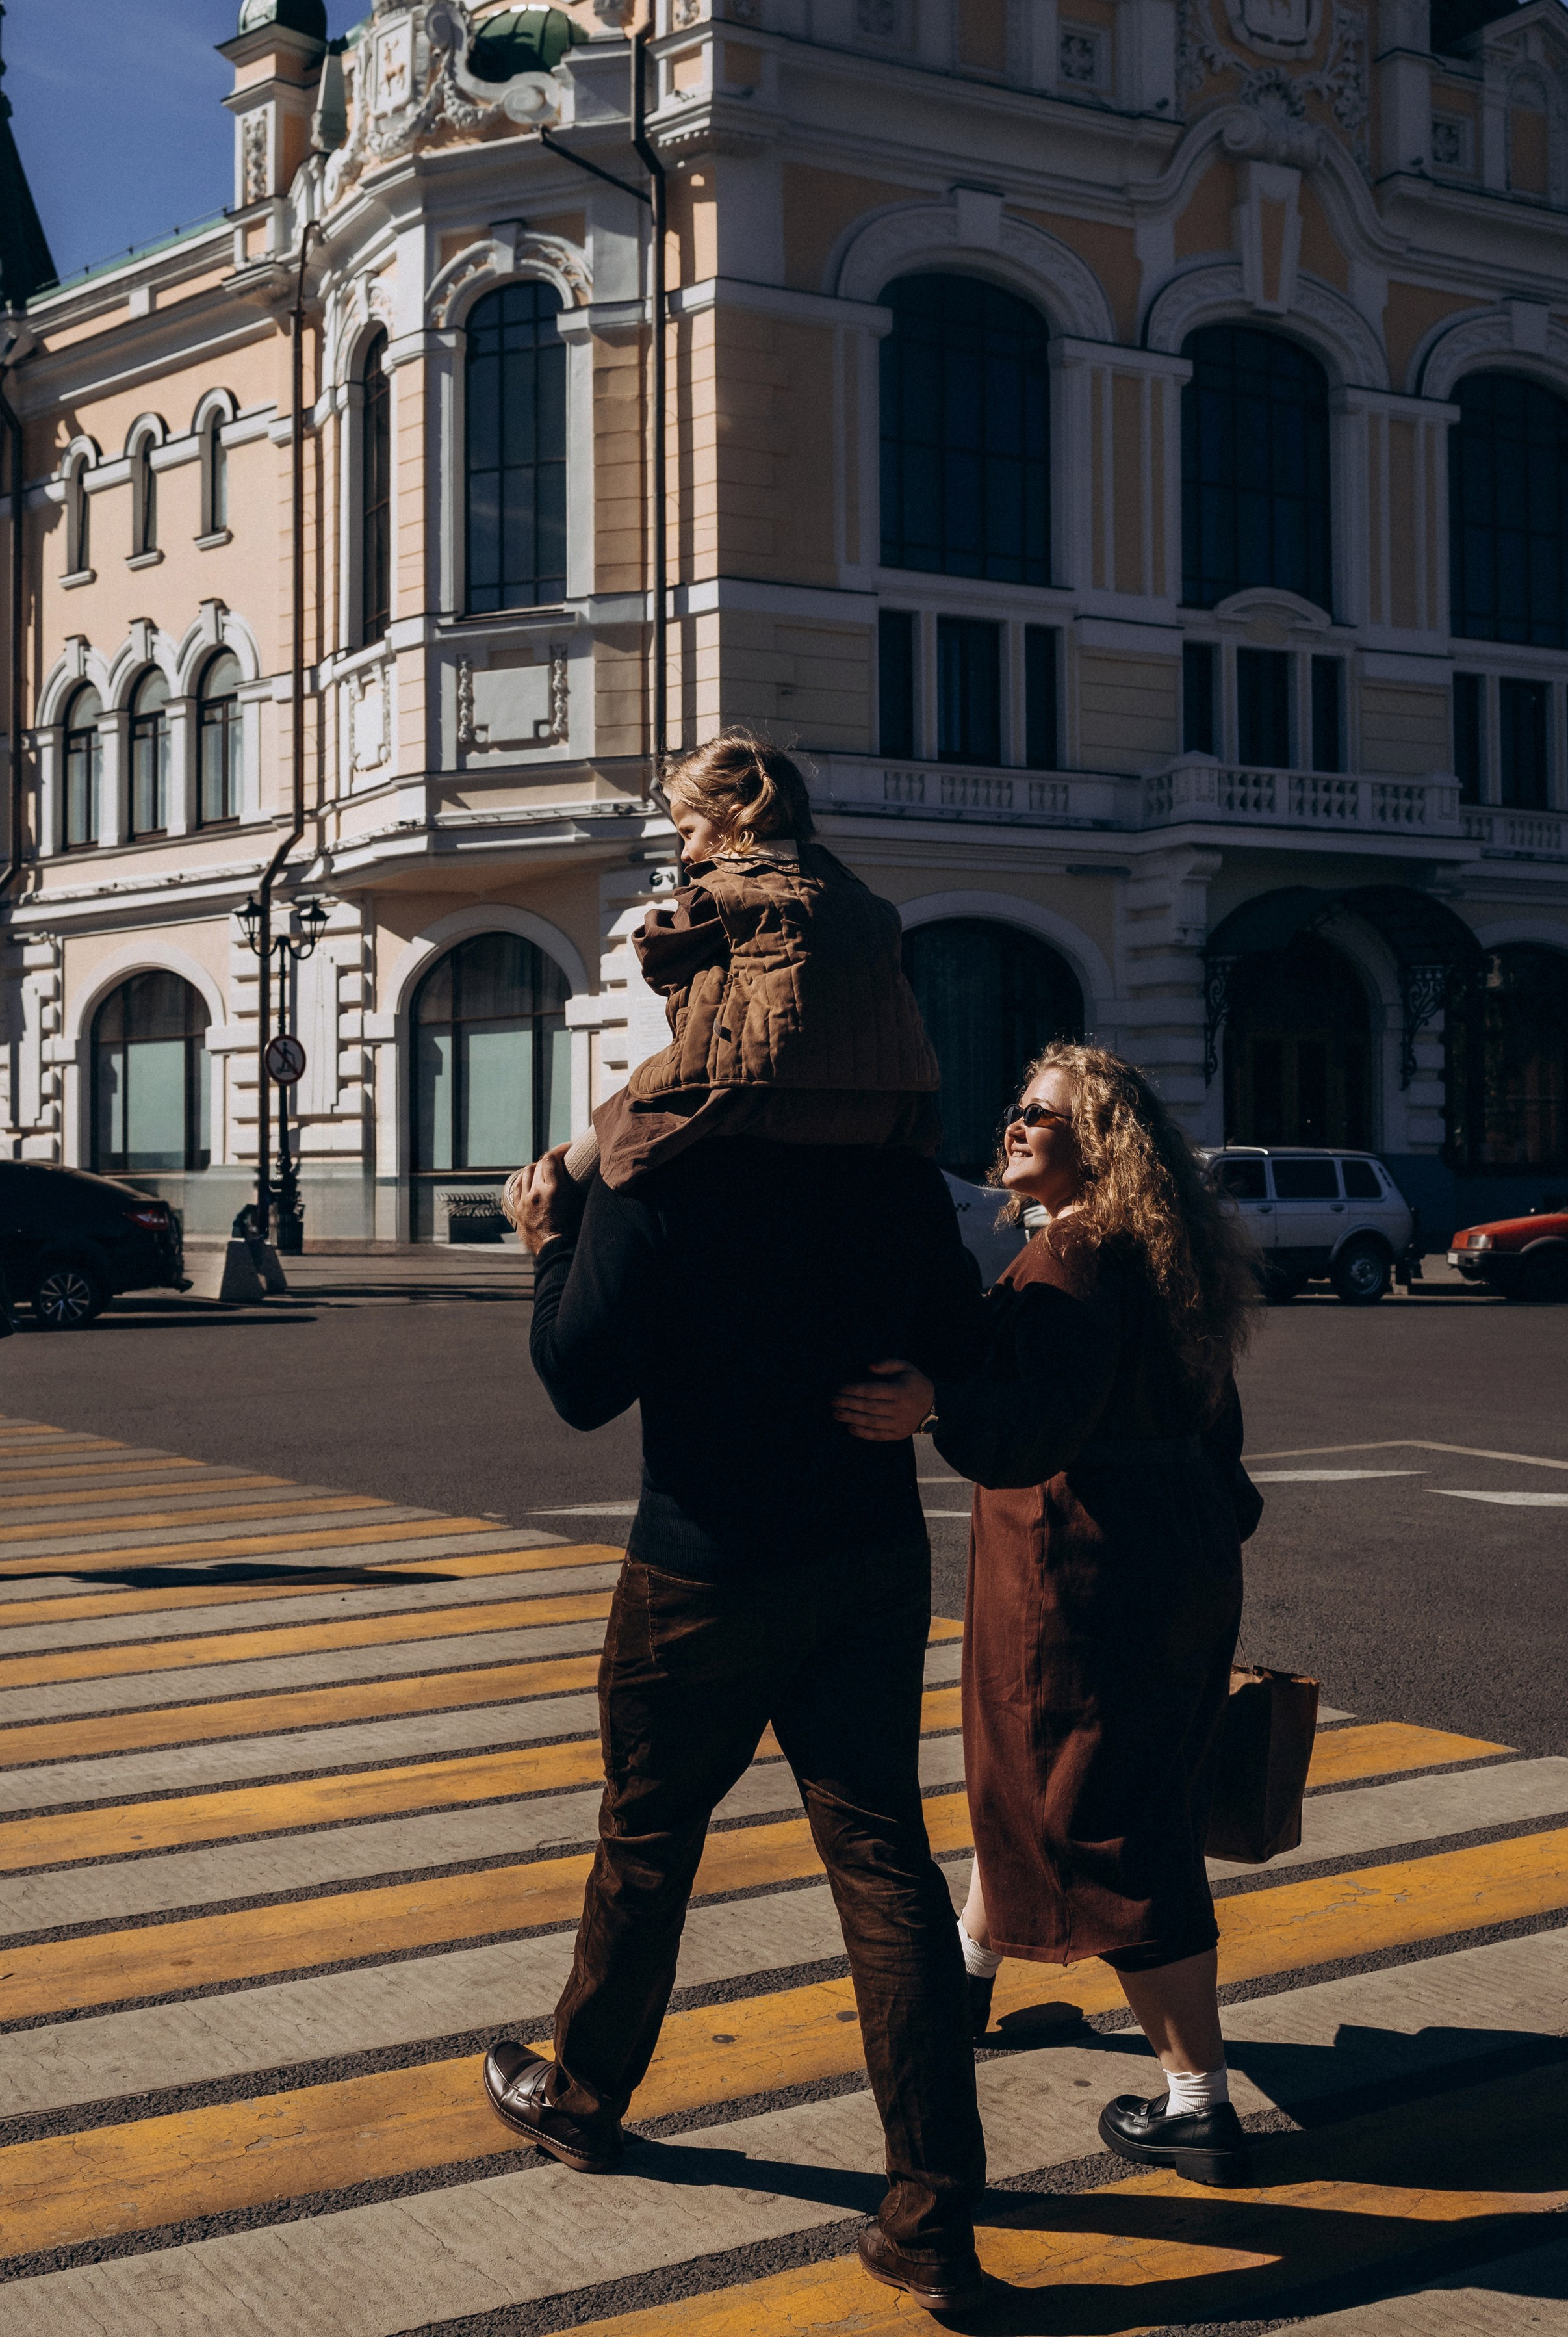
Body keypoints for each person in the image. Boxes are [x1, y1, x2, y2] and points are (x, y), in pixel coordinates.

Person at [482, 1126, 989, 2314]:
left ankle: (587, 2101)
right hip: (869, 1558)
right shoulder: (891, 1171)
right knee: (884, 1861)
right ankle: (930, 2214)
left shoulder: (665, 1175)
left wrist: (553, 1241)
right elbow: (962, 1341)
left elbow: (580, 1381)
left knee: (649, 1840)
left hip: (702, 1572)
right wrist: (920, 1384)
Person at [833, 1042, 1263, 2189]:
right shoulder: (1153, 1255)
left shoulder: (1072, 1261)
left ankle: (1199, 2103)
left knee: (1101, 1821)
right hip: (1173, 1555)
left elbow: (1027, 1433)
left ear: (1101, 1143)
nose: (1015, 1127)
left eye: (1044, 1116)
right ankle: (966, 1983)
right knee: (1035, 1782)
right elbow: (1218, 1428)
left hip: (1079, 1569)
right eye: (1016, 1109)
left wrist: (939, 1402)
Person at [534, 730, 940, 1202]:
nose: (686, 853)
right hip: (887, 1099)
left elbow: (658, 950)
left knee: (623, 1124)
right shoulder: (863, 900)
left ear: (734, 817)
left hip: (749, 1088)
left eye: (688, 832)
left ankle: (533, 1197)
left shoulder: (724, 889)